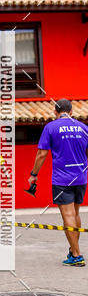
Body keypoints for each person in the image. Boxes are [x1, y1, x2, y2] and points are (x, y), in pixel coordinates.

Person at [30, 99, 88, 266]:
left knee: (68, 216)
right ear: (71, 112)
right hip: (81, 177)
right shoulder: (84, 128)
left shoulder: (51, 127)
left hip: (63, 179)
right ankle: (73, 250)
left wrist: (34, 174)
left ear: (55, 112)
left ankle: (77, 255)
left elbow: (42, 154)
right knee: (76, 214)